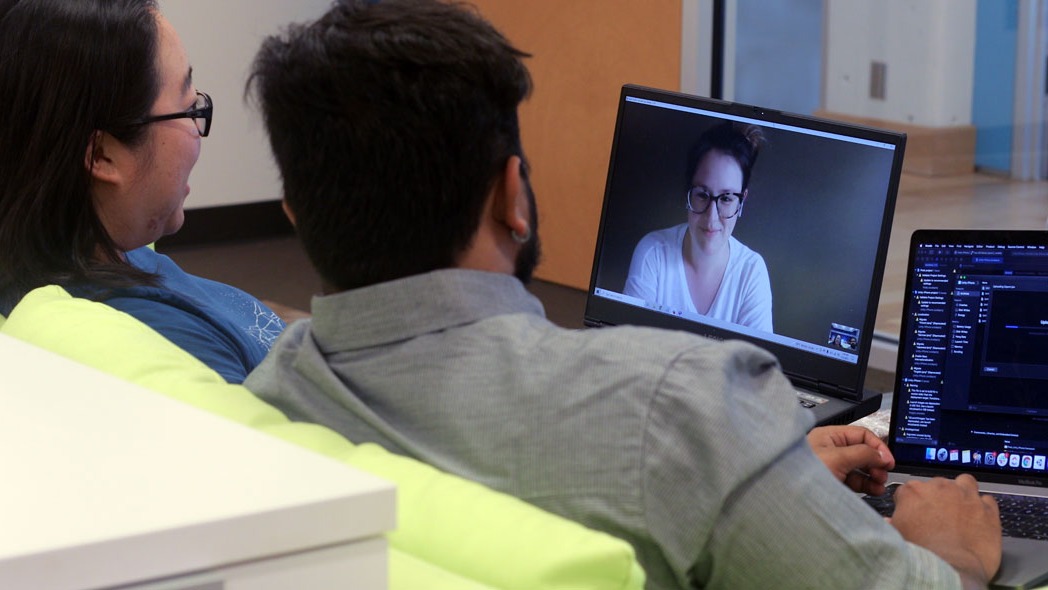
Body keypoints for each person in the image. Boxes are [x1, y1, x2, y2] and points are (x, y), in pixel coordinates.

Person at [243, 1, 1001, 588]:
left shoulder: (270, 391)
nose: (713, 213)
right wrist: (955, 551)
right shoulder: (684, 406)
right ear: (516, 196)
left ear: (297, 212)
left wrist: (758, 473)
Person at [0, 0, 288, 383]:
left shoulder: (105, 246)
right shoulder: (171, 346)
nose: (197, 130)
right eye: (188, 109)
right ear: (101, 155)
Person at [624, 122, 773, 333]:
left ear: (741, 201)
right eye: (702, 195)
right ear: (689, 192)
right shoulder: (653, 253)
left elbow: (757, 364)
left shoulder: (752, 272)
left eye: (727, 198)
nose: (712, 217)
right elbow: (628, 348)